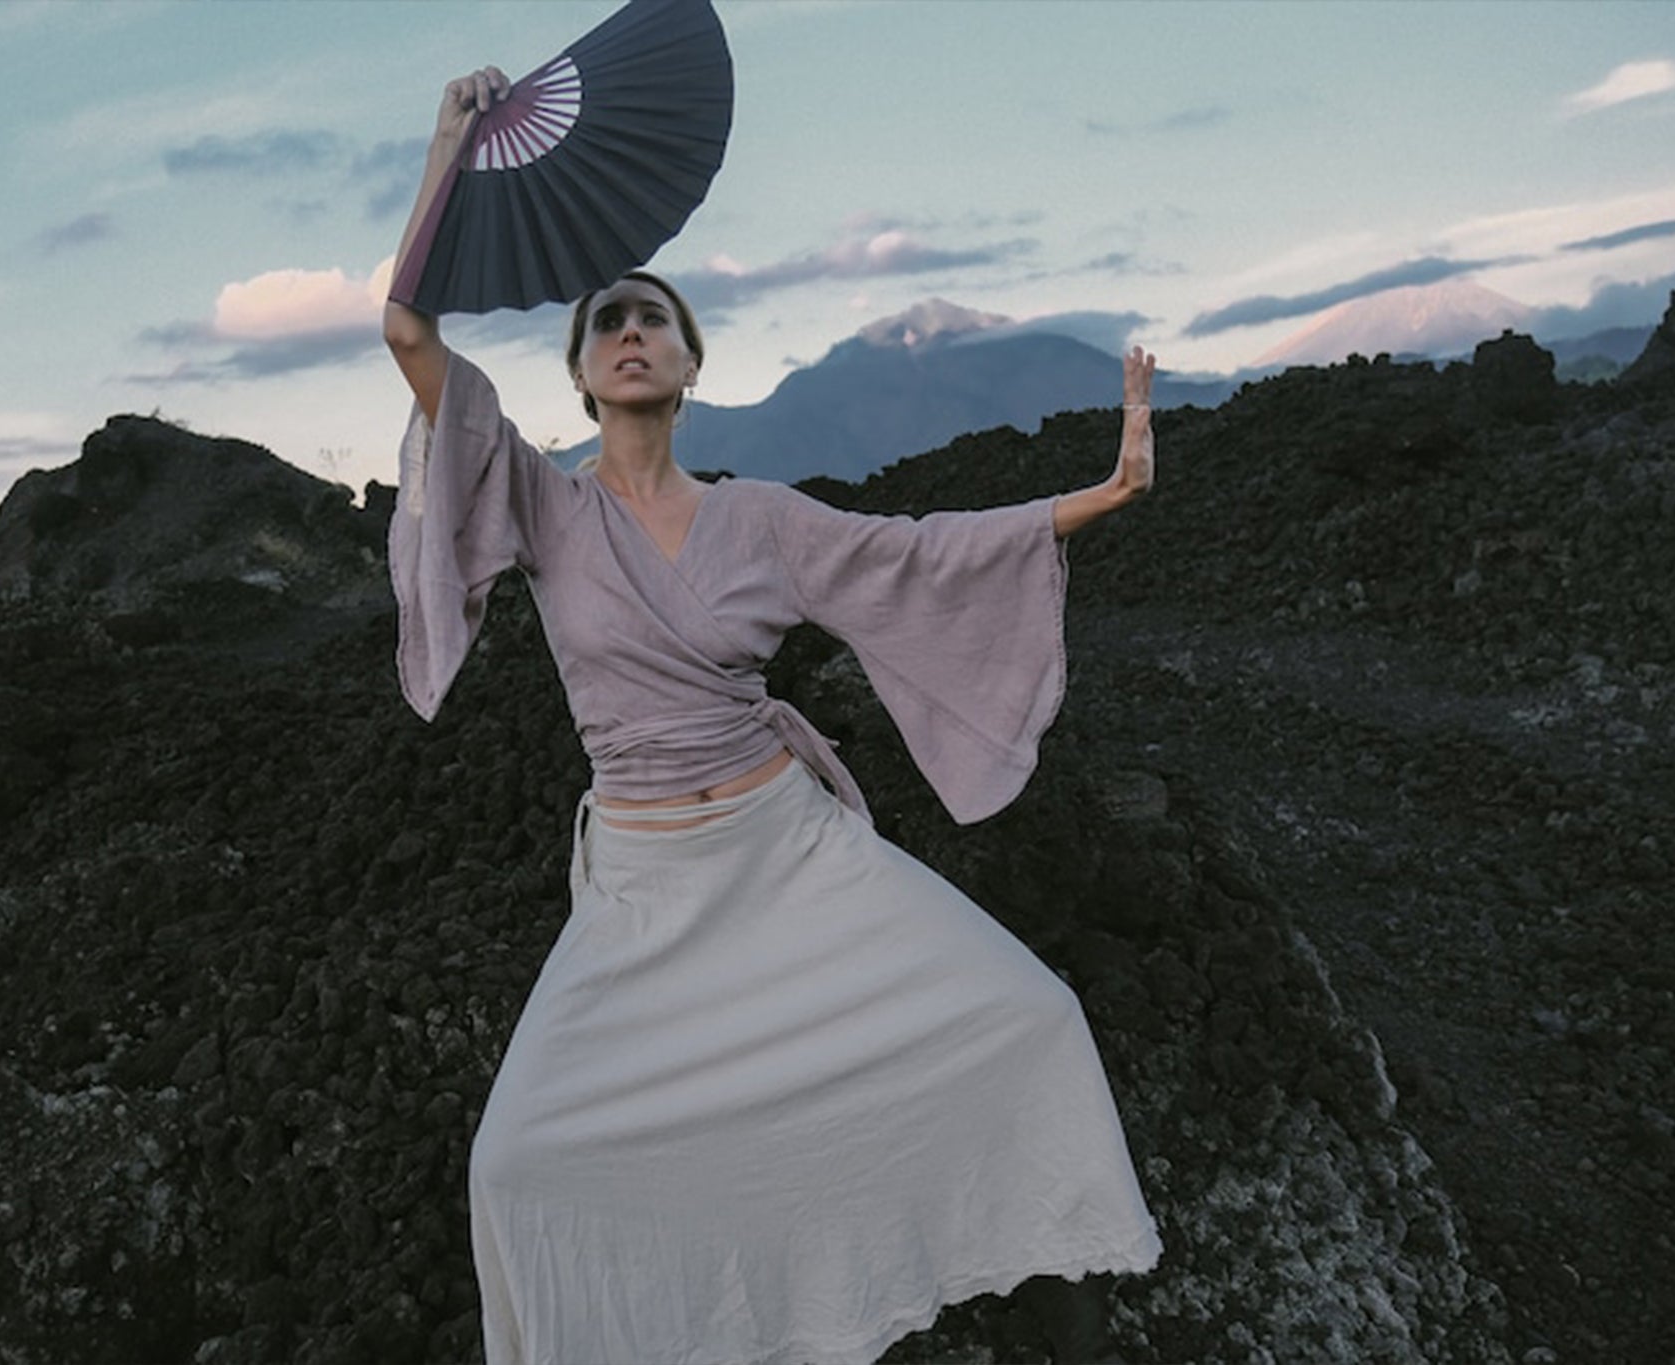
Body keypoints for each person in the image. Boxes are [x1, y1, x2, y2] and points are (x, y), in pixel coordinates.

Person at [385, 66, 1162, 1365]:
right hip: (643, 892)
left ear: (688, 364)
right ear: (581, 373)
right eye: (608, 323)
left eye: (658, 321)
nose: (633, 331)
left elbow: (922, 556)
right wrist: (445, 152)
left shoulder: (760, 516)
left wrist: (1112, 487)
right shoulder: (541, 504)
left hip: (789, 858)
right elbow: (411, 334)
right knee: (516, 1158)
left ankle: (1040, 1278)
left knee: (1028, 1015)